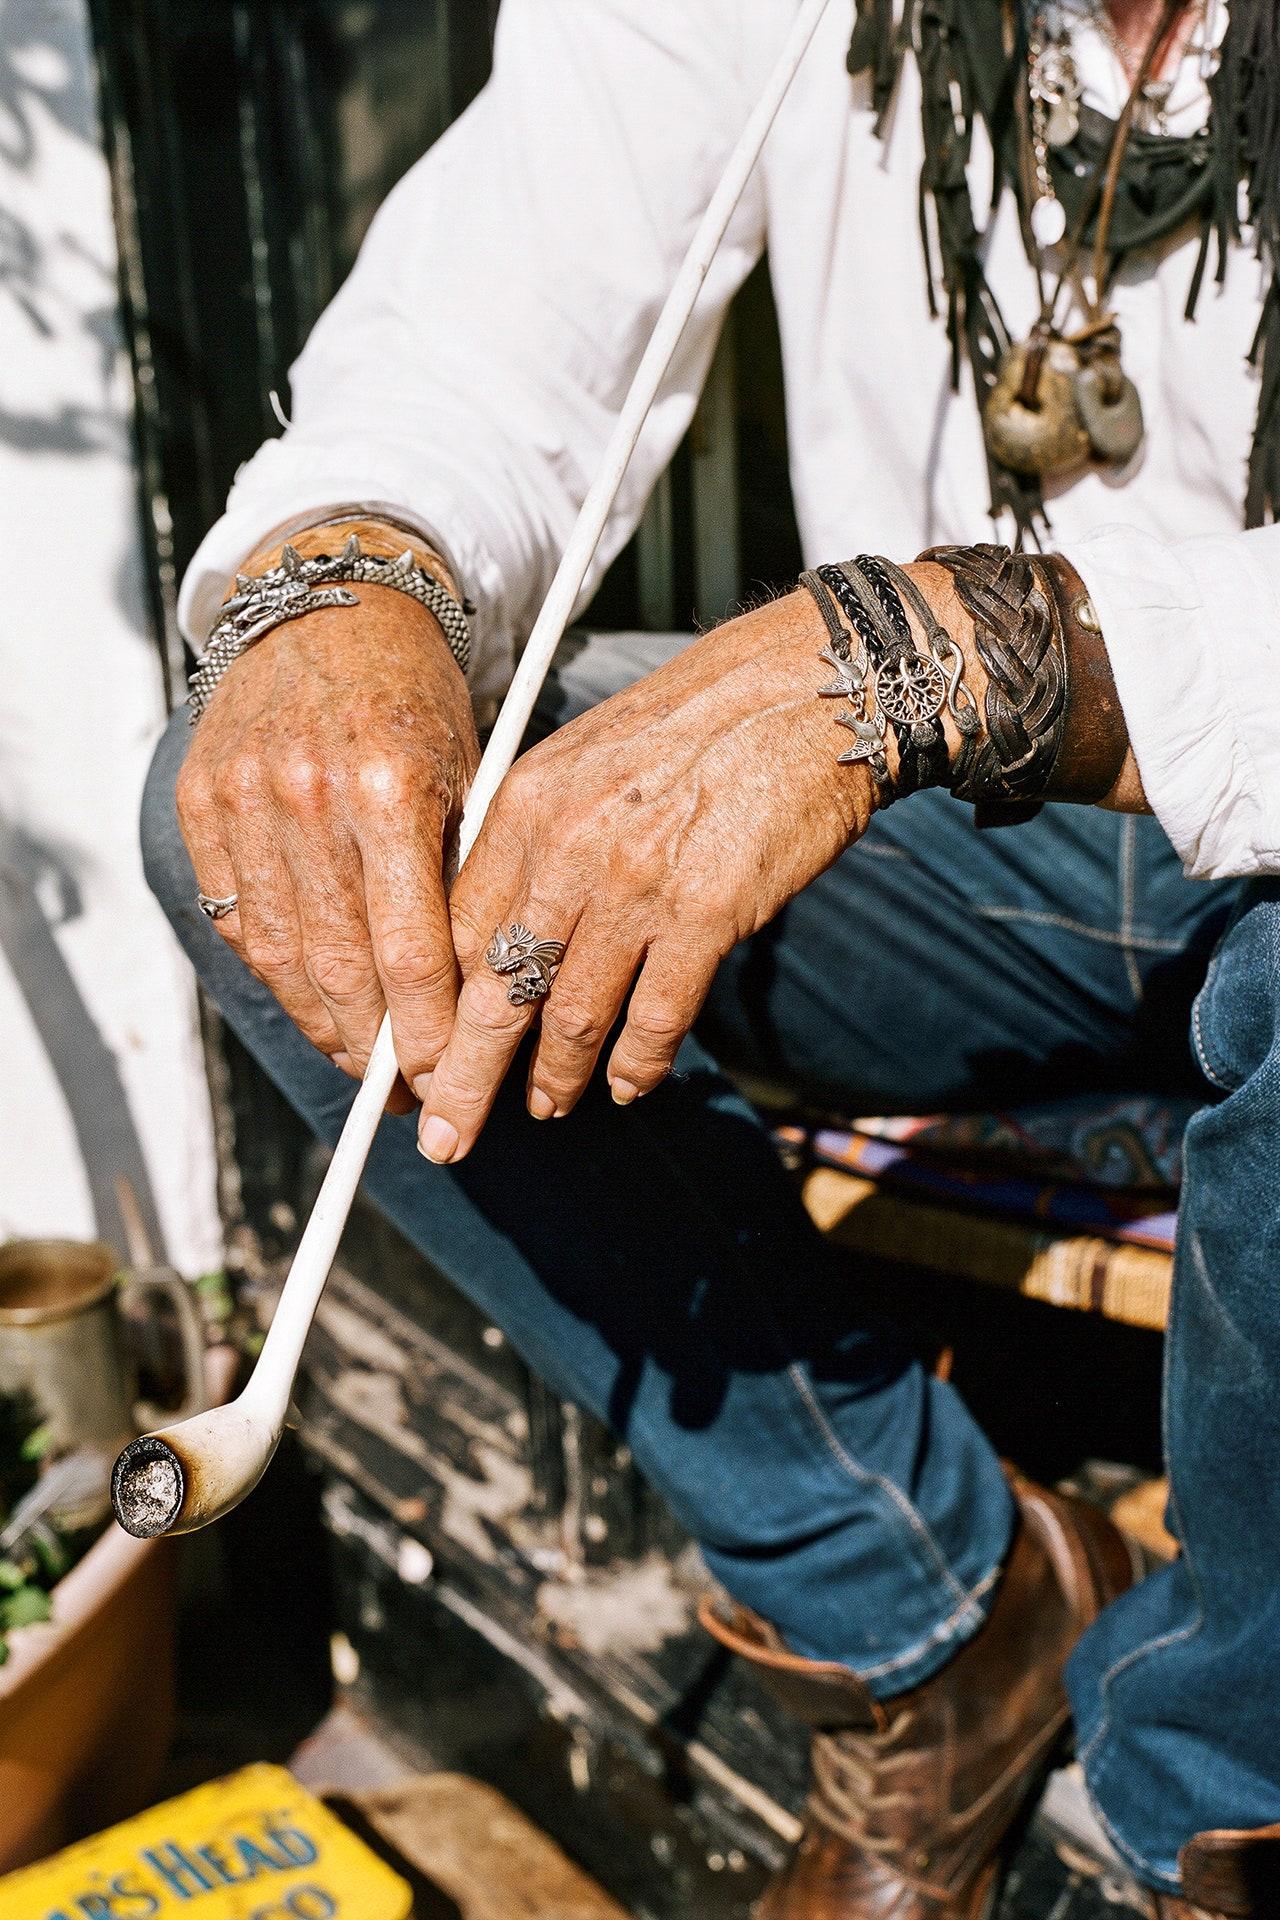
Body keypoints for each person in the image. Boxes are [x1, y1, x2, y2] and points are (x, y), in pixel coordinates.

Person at [141, 3, 1280, 1915]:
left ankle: (1227, 1807)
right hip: (974, 860)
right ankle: (930, 1613)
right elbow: (491, 332)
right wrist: (348, 571)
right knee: (291, 829)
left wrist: (941, 652)